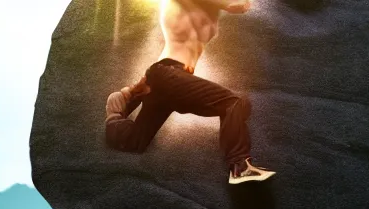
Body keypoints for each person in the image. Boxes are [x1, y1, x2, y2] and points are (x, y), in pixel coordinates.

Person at [105, 0, 276, 185]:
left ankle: (114, 117)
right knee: (234, 103)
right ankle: (240, 167)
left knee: (135, 142)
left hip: (169, 79)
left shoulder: (209, 11)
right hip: (167, 73)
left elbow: (240, 5)